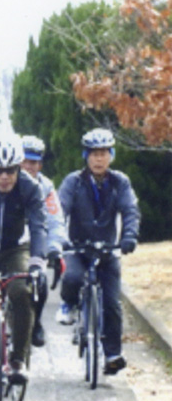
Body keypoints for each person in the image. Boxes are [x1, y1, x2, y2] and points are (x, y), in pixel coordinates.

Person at [55, 128, 140, 375]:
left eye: (103, 153)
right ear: (86, 156)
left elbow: (130, 210)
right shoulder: (74, 181)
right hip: (78, 248)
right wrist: (60, 238)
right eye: (93, 154)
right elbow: (60, 210)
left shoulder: (120, 182)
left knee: (112, 304)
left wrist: (129, 237)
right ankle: (69, 304)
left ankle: (112, 354)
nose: (98, 159)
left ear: (111, 155)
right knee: (71, 278)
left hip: (107, 251)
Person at [0, 137, 51, 385]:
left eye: (10, 170)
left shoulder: (29, 187)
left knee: (21, 291)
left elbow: (39, 226)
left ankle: (18, 359)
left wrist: (38, 262)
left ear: (18, 168)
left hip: (15, 248)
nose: (4, 177)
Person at [20, 134, 67, 346]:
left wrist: (55, 249)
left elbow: (55, 220)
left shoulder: (46, 187)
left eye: (36, 162)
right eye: (26, 161)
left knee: (40, 284)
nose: (31, 166)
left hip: (32, 244)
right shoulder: (1, 179)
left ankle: (35, 323)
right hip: (1, 245)